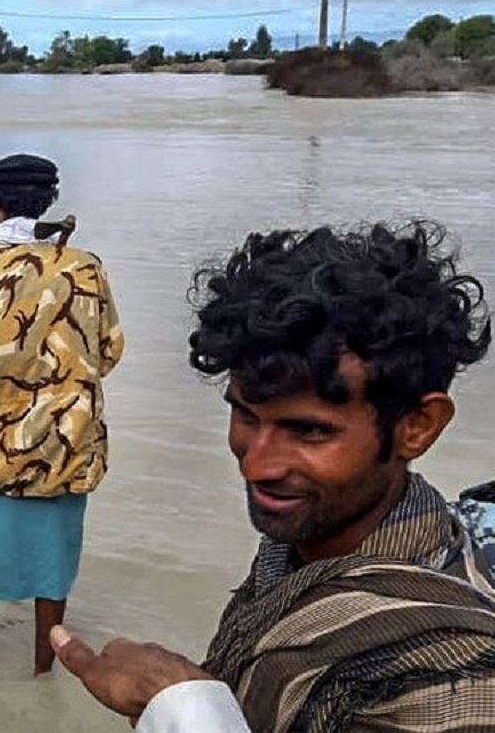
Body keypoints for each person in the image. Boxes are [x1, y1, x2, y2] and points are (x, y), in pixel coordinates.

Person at [51, 222, 495, 732]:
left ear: (418, 426)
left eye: (308, 431)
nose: (257, 465)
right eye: (245, 415)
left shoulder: (451, 679)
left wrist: (179, 705)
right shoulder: (304, 544)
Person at [0, 154, 124, 674]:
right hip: (66, 450)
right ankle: (45, 669)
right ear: (47, 203)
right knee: (53, 566)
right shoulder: (85, 268)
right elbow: (108, 352)